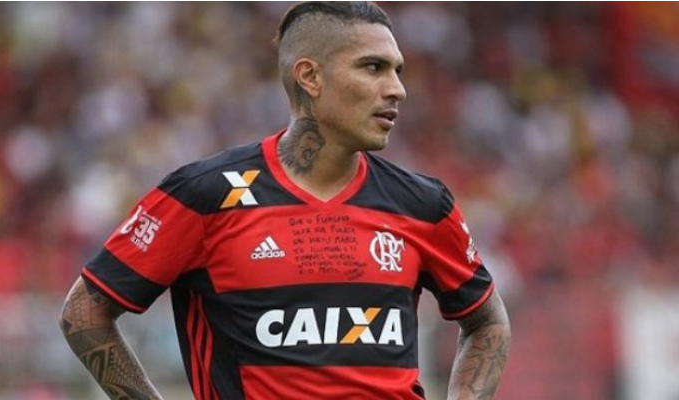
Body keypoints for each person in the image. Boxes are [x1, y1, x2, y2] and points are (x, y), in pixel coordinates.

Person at [59, 1, 511, 400]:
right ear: (310, 76)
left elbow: (487, 322)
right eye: (373, 68)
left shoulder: (422, 204)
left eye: (398, 71)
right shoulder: (205, 196)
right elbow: (85, 313)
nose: (396, 89)